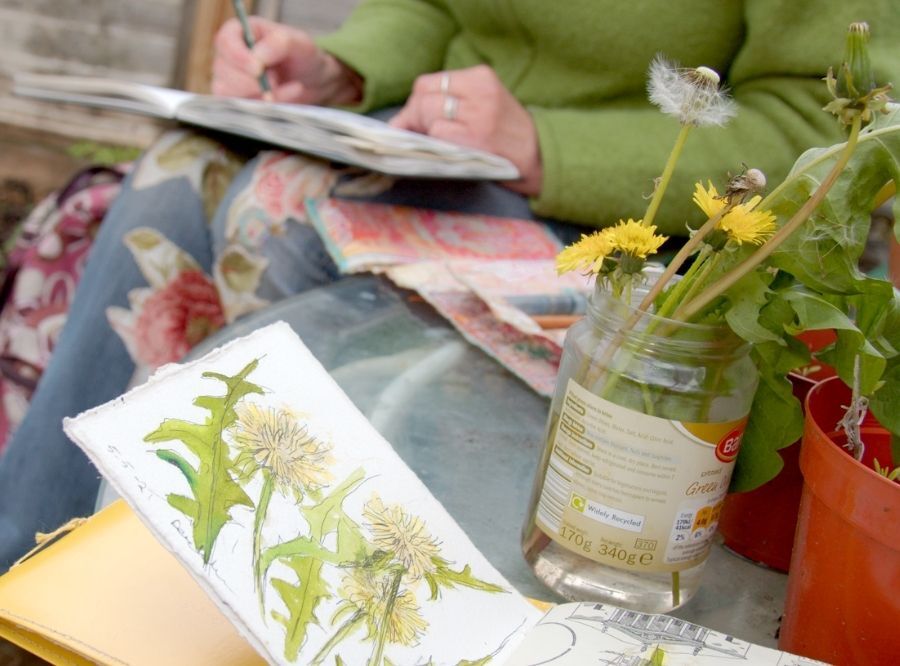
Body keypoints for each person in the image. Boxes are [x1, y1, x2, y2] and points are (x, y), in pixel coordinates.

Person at [0, 0, 897, 571]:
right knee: (172, 172)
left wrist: (546, 145)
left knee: (280, 215)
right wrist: (342, 68)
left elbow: (822, 138)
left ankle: (207, 593)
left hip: (638, 232)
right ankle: (27, 563)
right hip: (441, 149)